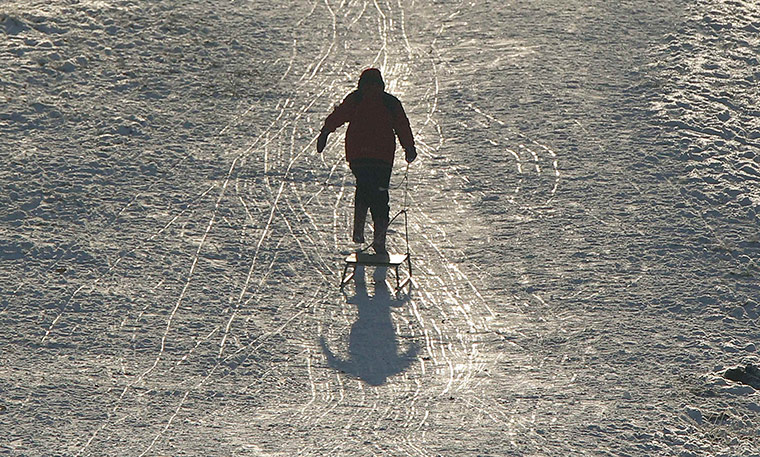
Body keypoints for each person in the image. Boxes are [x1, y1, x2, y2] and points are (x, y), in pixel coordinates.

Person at [316, 68, 416, 254]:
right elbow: (402, 125)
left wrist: (325, 133)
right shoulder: (390, 102)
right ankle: (379, 239)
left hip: (359, 156)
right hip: (382, 158)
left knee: (363, 187)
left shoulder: (356, 98)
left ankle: (359, 227)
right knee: (380, 195)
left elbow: (338, 116)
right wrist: (409, 148)